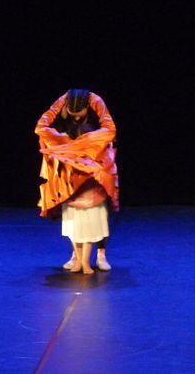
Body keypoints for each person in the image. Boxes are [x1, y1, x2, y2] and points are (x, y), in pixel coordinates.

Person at [35, 89, 119, 274]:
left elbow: (110, 129)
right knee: (73, 209)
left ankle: (101, 254)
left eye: (79, 114)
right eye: (72, 114)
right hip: (71, 161)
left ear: (87, 108)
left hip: (95, 158)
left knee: (99, 211)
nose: (77, 118)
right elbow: (41, 126)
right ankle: (77, 256)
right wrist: (65, 143)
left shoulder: (96, 102)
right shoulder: (62, 103)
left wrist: (86, 143)